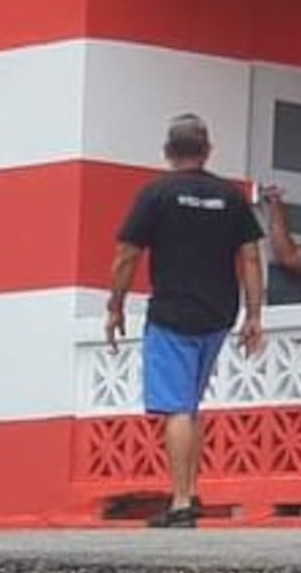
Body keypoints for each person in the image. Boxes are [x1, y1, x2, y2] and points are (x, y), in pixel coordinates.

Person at [106, 114, 267, 530]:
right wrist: (254, 314)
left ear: (167, 152)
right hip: (218, 313)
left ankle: (180, 503)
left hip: (172, 313)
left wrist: (115, 305)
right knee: (190, 407)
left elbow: (127, 254)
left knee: (177, 408)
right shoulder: (229, 196)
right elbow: (250, 256)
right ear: (207, 150)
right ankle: (191, 490)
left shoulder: (156, 194)